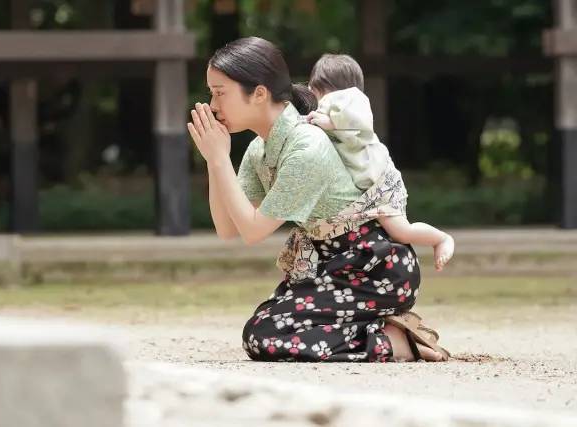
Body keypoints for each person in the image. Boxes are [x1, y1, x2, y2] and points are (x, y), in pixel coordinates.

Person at [187, 36, 448, 362]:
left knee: (262, 336)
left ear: (258, 93)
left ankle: (396, 343)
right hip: (328, 266)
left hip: (375, 268)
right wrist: (215, 161)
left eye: (220, 92)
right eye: (212, 93)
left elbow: (254, 232)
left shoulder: (306, 147)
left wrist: (220, 159)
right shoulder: (259, 149)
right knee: (265, 328)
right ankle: (384, 330)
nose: (212, 105)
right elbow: (228, 228)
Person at [305, 54, 454, 271]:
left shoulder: (352, 101)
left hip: (381, 183)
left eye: (322, 91)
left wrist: (329, 122)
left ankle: (440, 239)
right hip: (365, 189)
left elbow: (359, 122)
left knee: (401, 231)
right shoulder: (329, 106)